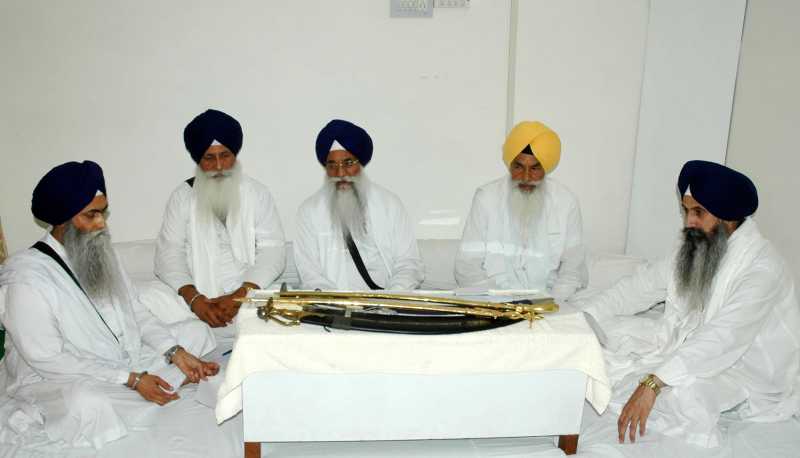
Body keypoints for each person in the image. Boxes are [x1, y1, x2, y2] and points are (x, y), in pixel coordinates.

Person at [581, 160, 800, 447]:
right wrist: (584, 316)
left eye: (699, 212)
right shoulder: (697, 245)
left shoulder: (763, 269)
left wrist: (654, 382)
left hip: (747, 372)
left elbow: (724, 336)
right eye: (686, 211)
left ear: (727, 218)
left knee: (687, 396)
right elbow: (638, 288)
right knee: (606, 336)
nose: (689, 222)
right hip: (695, 347)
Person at [0, 161, 218, 448]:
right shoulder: (26, 277)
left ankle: (153, 385)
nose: (101, 223)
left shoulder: (100, 251)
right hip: (59, 377)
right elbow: (48, 359)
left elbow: (136, 312)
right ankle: (148, 389)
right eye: (91, 215)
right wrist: (130, 379)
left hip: (120, 360)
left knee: (196, 333)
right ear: (64, 220)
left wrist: (174, 352)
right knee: (88, 402)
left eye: (102, 212)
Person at [155, 109, 286, 346]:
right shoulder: (182, 198)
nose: (218, 166)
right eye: (208, 158)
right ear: (197, 160)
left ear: (235, 155)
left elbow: (273, 250)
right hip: (200, 303)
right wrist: (195, 299)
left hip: (249, 297)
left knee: (282, 317)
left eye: (225, 156)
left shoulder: (256, 193)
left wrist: (240, 296)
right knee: (154, 306)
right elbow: (168, 254)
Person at [455, 120, 587, 300]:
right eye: (518, 167)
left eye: (534, 168)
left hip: (549, 303)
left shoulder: (566, 202)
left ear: (546, 167)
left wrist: (549, 306)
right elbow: (467, 266)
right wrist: (498, 305)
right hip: (496, 305)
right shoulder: (486, 198)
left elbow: (572, 269)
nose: (526, 177)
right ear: (509, 164)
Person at [294, 119, 423, 290]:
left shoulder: (389, 204)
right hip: (335, 307)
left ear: (360, 163)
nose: (340, 173)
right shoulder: (309, 211)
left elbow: (408, 262)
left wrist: (391, 298)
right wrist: (335, 306)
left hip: (387, 304)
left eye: (348, 163)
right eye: (332, 165)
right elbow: (309, 273)